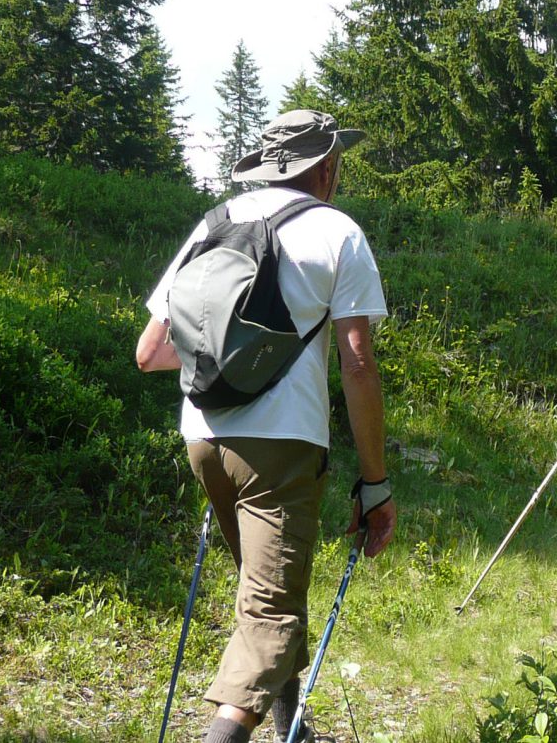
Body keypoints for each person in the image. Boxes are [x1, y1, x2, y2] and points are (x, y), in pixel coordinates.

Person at [136, 110, 396, 743]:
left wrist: (233, 360)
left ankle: (294, 732)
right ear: (326, 167)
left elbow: (151, 353)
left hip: (203, 434)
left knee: (263, 596)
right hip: (281, 447)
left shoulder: (216, 222)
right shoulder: (337, 231)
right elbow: (358, 365)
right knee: (272, 612)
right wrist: (376, 483)